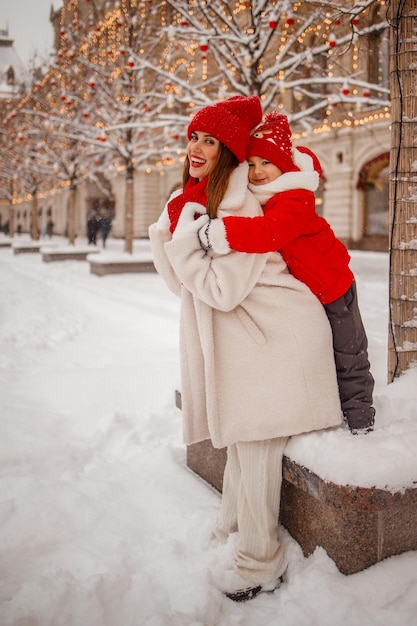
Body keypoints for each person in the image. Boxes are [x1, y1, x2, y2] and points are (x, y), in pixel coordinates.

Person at [149, 96, 342, 602]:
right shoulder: (203, 197)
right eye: (194, 136)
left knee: (255, 448)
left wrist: (184, 241)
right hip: (254, 342)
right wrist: (170, 233)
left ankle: (260, 563)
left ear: (228, 152)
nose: (196, 147)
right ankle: (232, 528)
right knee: (240, 441)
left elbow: (220, 290)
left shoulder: (237, 203)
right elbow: (185, 284)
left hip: (280, 340)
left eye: (210, 141)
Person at [197, 111, 375, 435]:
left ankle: (361, 421)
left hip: (334, 287)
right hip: (310, 292)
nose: (257, 171)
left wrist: (219, 232)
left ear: (285, 165)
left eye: (265, 162)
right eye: (250, 164)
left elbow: (269, 233)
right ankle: (331, 407)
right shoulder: (265, 197)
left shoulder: (295, 197)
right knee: (323, 353)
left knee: (349, 355)